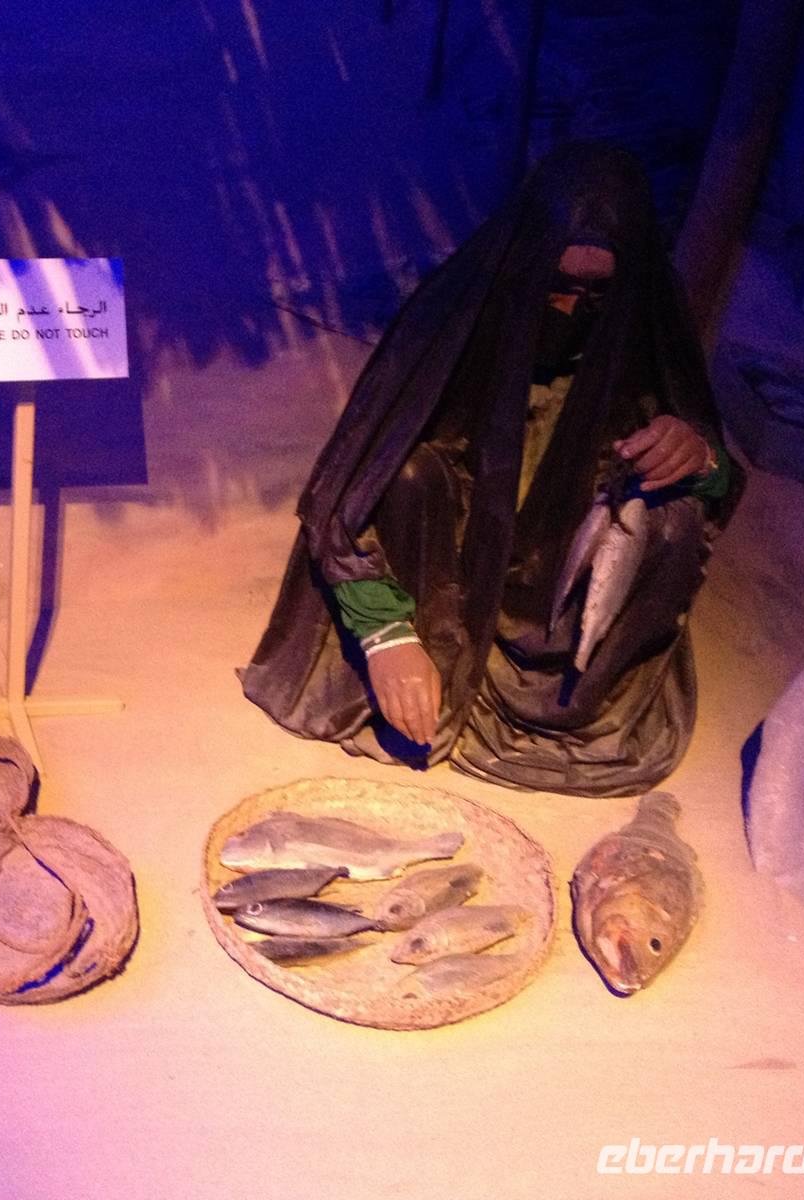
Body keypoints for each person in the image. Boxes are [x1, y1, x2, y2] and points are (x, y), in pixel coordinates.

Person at [241, 143, 741, 797]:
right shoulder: (457, 316)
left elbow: (718, 489)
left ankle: (569, 708)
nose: (573, 311)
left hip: (562, 595)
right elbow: (345, 494)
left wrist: (700, 458)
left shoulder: (647, 331)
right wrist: (385, 634)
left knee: (674, 518)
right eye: (558, 286)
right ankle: (424, 668)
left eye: (599, 293)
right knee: (408, 477)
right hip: (447, 577)